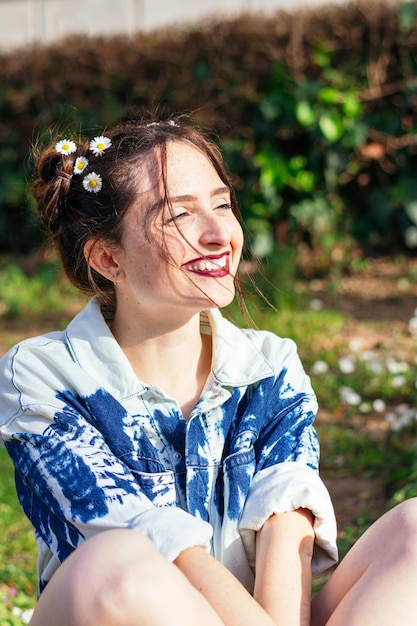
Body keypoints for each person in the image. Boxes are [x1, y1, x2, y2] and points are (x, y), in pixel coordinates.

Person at [0, 118, 416, 626]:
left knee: (414, 528)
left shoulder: (269, 364)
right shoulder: (42, 376)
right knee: (117, 562)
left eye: (222, 204)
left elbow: (287, 532)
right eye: (179, 216)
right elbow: (151, 539)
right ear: (109, 258)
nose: (220, 234)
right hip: (124, 608)